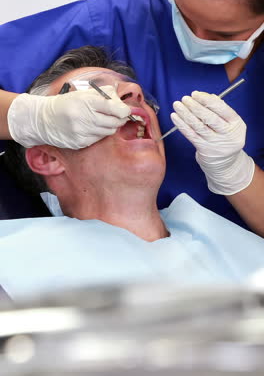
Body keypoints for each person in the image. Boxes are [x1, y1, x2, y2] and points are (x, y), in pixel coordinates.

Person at [0, 0, 263, 229]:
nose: (134, 89)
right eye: (183, 13)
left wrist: (237, 173)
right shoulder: (117, 18)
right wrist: (29, 117)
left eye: (222, 34)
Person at [1, 46, 264, 301]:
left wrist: (236, 171)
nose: (134, 90)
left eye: (133, 88)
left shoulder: (221, 237)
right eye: (94, 90)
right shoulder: (13, 262)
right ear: (48, 159)